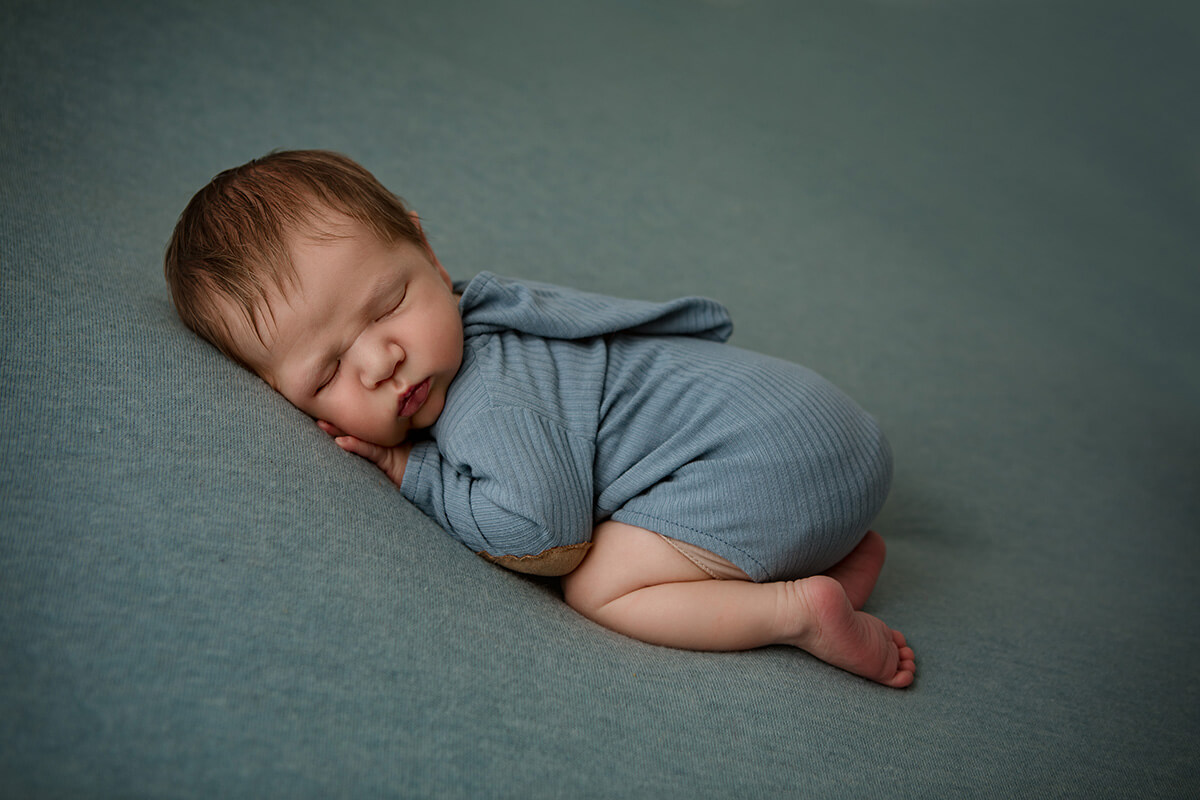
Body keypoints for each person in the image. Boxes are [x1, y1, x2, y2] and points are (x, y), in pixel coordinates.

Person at [164, 150, 916, 688]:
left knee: (599, 587)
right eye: (327, 371)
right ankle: (842, 559)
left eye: (388, 304)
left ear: (427, 249)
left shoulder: (487, 400)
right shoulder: (500, 306)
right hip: (833, 432)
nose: (379, 361)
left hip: (763, 463)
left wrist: (411, 471)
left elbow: (545, 535)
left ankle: (798, 608)